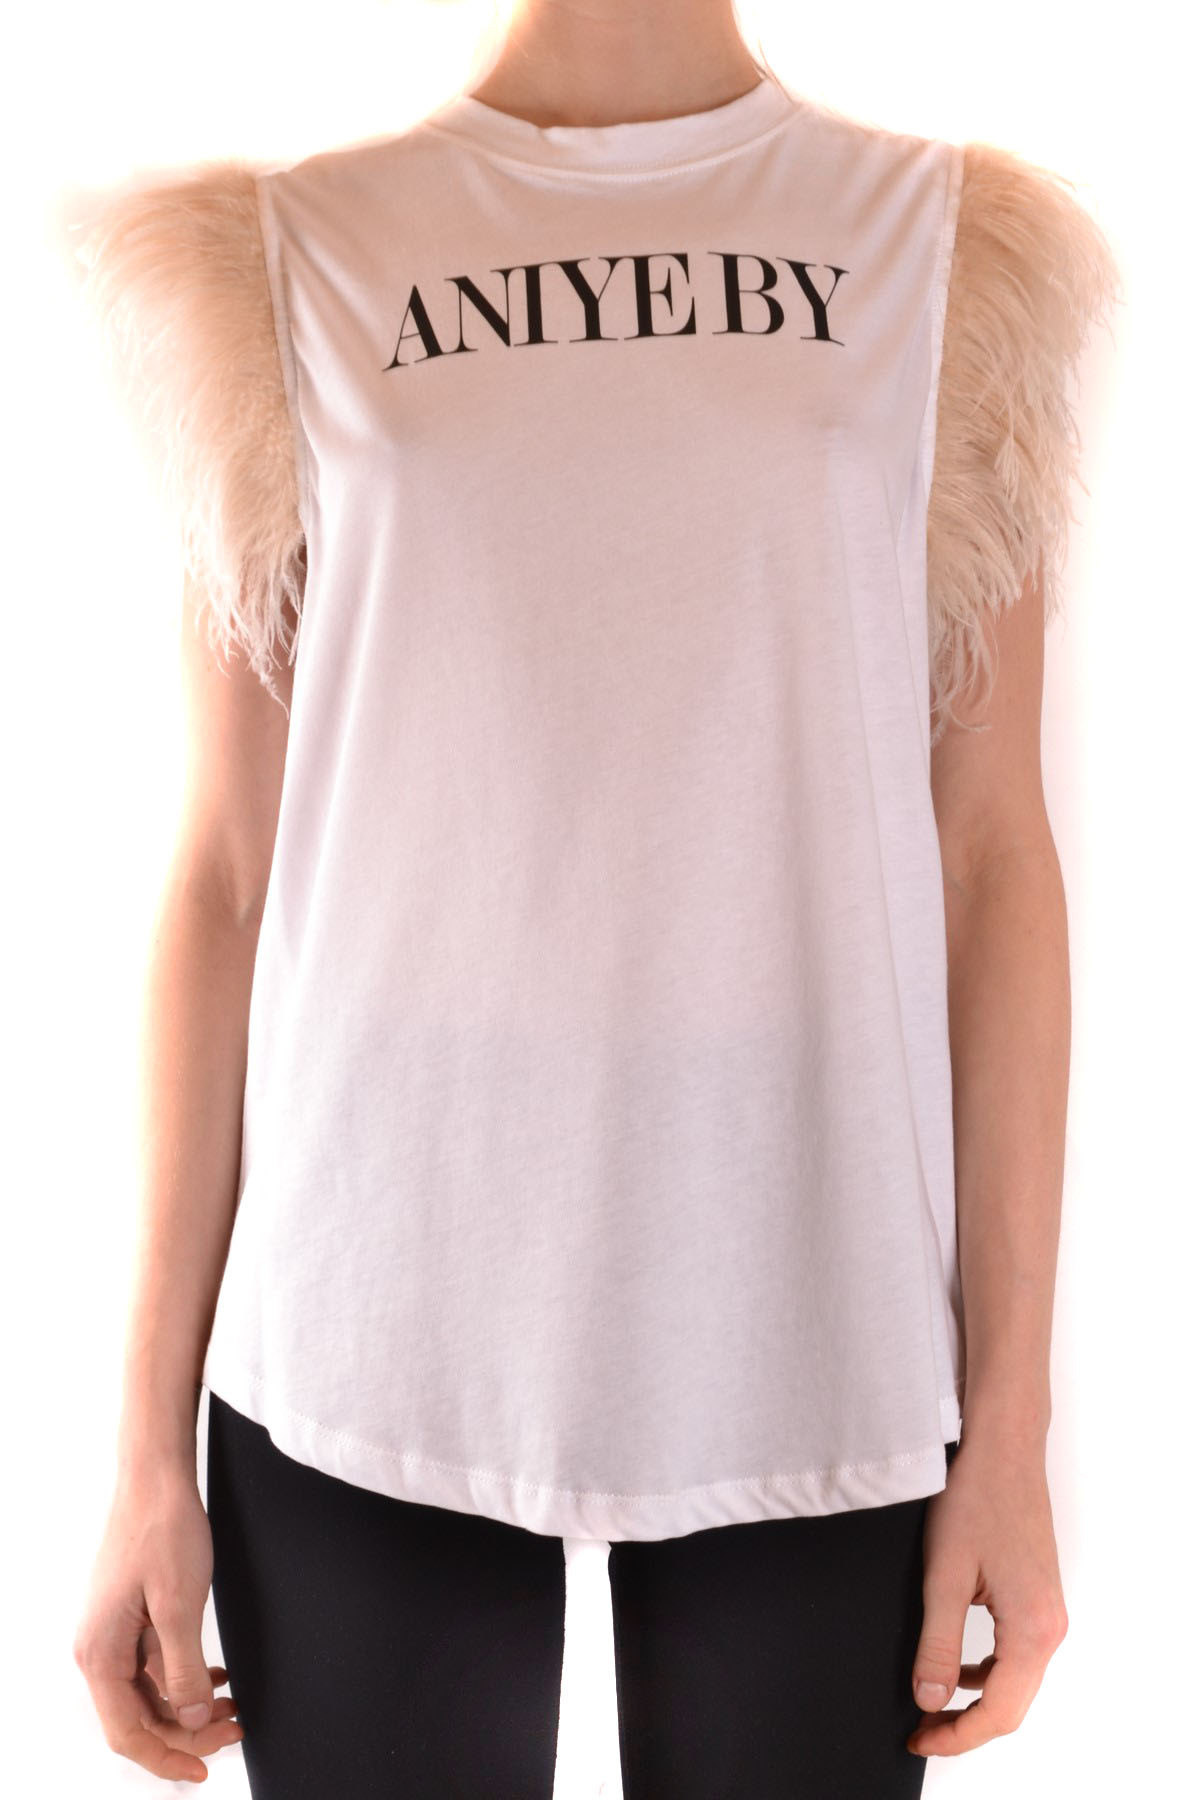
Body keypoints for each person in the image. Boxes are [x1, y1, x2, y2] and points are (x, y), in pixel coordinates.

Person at [64, 0, 1122, 1794]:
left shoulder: (944, 256)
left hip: (810, 1304)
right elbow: (227, 872)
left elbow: (993, 859)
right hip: (367, 1310)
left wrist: (1013, 1427)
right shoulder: (287, 261)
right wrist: (143, 1453)